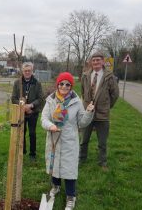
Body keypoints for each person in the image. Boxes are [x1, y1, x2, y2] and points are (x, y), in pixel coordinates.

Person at [41, 72, 94, 210]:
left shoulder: (76, 102)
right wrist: (50, 126)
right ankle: (56, 187)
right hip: (54, 138)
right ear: (57, 84)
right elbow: (44, 119)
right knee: (54, 163)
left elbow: (82, 123)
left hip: (69, 140)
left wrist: (88, 112)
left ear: (71, 86)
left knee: (69, 168)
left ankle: (71, 196)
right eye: (62, 83)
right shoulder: (50, 100)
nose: (64, 86)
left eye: (67, 84)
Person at [79, 51, 119, 170]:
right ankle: (82, 158)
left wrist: (106, 105)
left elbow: (115, 94)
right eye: (93, 60)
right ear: (91, 62)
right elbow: (82, 91)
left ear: (102, 62)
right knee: (84, 139)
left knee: (102, 142)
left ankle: (102, 162)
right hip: (87, 114)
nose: (95, 62)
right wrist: (86, 105)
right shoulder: (85, 75)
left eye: (98, 60)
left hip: (102, 115)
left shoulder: (109, 76)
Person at [11, 62, 44, 160]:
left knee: (32, 133)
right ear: (22, 71)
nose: (27, 72)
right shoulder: (18, 83)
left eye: (29, 70)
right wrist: (23, 106)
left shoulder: (37, 83)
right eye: (25, 71)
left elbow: (41, 98)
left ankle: (32, 153)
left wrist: (31, 105)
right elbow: (13, 97)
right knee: (22, 131)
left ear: (32, 71)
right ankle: (22, 150)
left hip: (33, 112)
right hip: (21, 112)